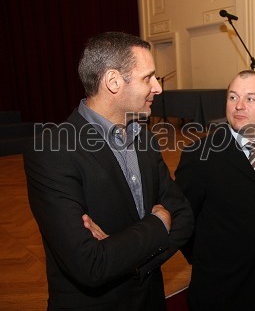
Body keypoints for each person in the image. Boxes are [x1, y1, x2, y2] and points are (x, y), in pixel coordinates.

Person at [24, 32, 194, 311]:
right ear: (113, 81)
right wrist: (159, 223)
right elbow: (91, 265)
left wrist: (133, 261)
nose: (158, 88)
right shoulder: (52, 150)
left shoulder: (144, 138)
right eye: (148, 78)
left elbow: (184, 216)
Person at [174, 70, 255, 311]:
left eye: (250, 98)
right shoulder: (200, 154)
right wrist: (207, 260)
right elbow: (182, 217)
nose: (239, 106)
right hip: (221, 287)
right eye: (232, 97)